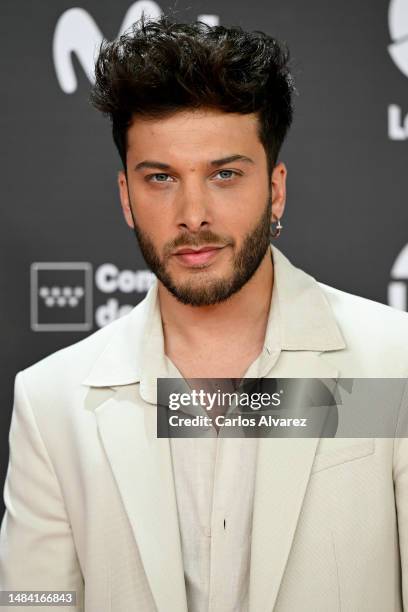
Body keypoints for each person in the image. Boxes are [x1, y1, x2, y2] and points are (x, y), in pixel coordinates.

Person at [1, 15, 408, 612]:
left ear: (275, 189)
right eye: (161, 178)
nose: (193, 213)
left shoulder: (394, 362)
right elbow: (34, 603)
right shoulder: (53, 401)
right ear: (126, 198)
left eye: (224, 174)